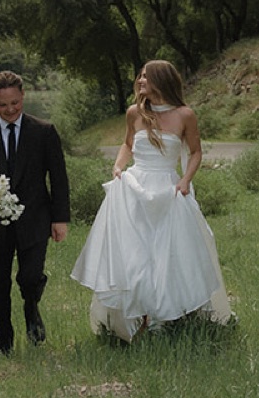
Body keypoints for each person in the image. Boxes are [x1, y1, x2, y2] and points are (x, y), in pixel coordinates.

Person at [70, 59, 233, 340]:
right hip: (134, 189)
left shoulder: (185, 115)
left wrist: (185, 181)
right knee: (134, 256)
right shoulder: (135, 112)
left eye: (146, 77)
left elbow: (195, 152)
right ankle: (133, 318)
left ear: (161, 80)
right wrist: (119, 166)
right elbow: (128, 144)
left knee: (169, 255)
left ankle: (166, 317)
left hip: (168, 192)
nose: (141, 81)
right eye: (141, 77)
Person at [0, 71, 70, 354]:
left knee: (31, 277)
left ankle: (31, 307)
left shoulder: (44, 132)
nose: (9, 110)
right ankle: (4, 335)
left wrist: (60, 219)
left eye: (14, 103)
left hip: (35, 218)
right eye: (2, 105)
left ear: (23, 97)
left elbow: (58, 178)